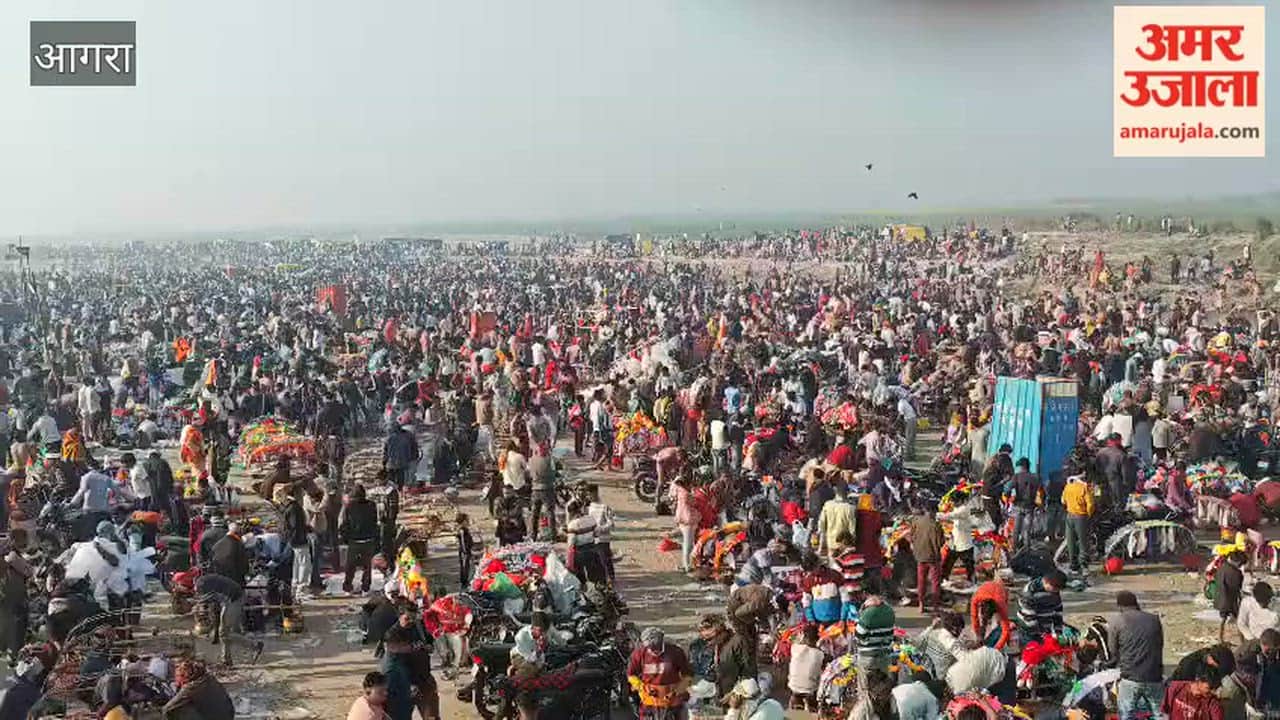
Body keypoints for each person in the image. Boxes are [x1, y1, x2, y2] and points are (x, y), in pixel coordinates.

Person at [1110, 590, 1165, 720]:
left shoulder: (1117, 621)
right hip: (1154, 676)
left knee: (1126, 714)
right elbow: (1160, 644)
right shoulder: (1154, 619)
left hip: (1130, 677)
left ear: (1119, 606)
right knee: (1159, 714)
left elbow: (1113, 650)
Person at [194, 572, 264, 667]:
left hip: (235, 599)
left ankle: (254, 645)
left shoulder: (201, 585)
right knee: (223, 632)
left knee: (224, 633)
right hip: (231, 598)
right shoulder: (203, 581)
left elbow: (206, 600)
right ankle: (226, 660)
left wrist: (195, 605)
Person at [626, 626, 693, 719]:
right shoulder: (639, 654)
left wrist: (677, 691)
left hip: (673, 703)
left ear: (662, 642)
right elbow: (631, 675)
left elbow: (688, 676)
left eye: (656, 647)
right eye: (649, 648)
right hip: (649, 703)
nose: (653, 651)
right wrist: (641, 687)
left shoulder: (676, 652)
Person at [162, 658, 237, 720]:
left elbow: (167, 709)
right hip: (228, 716)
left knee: (178, 709)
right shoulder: (210, 678)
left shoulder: (192, 687)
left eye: (178, 676)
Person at [340, 483, 381, 595]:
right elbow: (374, 521)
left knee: (350, 566)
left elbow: (344, 524)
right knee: (367, 566)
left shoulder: (349, 507)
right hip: (368, 539)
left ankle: (347, 588)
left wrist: (345, 538)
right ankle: (365, 588)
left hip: (354, 540)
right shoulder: (371, 505)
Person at [907, 503, 945, 612]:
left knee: (921, 580)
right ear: (933, 512)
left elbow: (911, 537)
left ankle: (921, 604)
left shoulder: (916, 522)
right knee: (935, 582)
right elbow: (941, 541)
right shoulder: (936, 525)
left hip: (920, 556)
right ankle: (935, 605)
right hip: (933, 556)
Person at [280, 486, 312, 599]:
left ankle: (296, 586)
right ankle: (301, 589)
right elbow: (295, 526)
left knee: (297, 564)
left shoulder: (289, 507)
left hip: (293, 540)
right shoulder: (295, 508)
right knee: (304, 564)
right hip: (298, 540)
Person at [1017, 570, 1066, 640]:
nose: (1056, 591)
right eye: (1055, 589)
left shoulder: (1054, 589)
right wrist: (1041, 634)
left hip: (1045, 626)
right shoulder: (1030, 591)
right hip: (1028, 628)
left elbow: (1058, 612)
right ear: (1046, 582)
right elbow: (1029, 617)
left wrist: (1058, 631)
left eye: (1058, 590)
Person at [1062, 473, 1095, 573]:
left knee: (1070, 541)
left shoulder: (1068, 487)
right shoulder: (1084, 488)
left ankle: (1073, 565)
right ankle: (1084, 566)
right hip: (1081, 516)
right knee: (1083, 542)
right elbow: (1090, 504)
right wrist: (1089, 514)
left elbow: (1063, 501)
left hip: (1069, 516)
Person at [1008, 457, 1042, 552]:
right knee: (1027, 531)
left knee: (1016, 530)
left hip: (1018, 506)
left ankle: (1014, 550)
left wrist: (1007, 497)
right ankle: (1026, 551)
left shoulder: (1017, 476)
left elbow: (1008, 488)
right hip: (1030, 507)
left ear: (1022, 467)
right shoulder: (1035, 478)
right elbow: (1041, 491)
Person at [788, 623, 824, 712]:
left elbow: (795, 640)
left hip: (794, 687)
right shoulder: (820, 654)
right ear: (817, 639)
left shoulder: (795, 648)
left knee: (796, 706)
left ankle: (797, 713)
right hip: (810, 689)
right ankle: (812, 710)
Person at [816, 482, 857, 560]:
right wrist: (852, 543)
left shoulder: (828, 505)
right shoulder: (850, 508)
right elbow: (852, 529)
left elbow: (821, 523)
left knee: (832, 565)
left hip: (830, 541)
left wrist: (821, 543)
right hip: (843, 544)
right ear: (847, 493)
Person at [855, 594, 896, 671]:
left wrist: (859, 618)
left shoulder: (868, 615)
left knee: (865, 681)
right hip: (885, 656)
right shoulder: (889, 613)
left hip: (868, 656)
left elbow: (859, 634)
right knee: (884, 681)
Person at [586, 484, 616, 582]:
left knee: (605, 560)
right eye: (588, 495)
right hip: (591, 538)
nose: (589, 497)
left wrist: (600, 529)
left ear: (595, 493)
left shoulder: (604, 507)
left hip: (603, 539)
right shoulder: (588, 507)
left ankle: (611, 578)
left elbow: (611, 524)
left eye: (590, 494)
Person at [1216, 551, 1246, 643]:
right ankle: (1242, 641)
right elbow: (1238, 588)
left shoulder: (1222, 567)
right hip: (1232, 600)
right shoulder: (1236, 572)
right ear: (1237, 562)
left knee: (1223, 619)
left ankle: (1220, 639)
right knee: (1239, 621)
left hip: (1221, 598)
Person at [382, 422, 420, 489]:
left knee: (391, 485)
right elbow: (415, 450)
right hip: (403, 464)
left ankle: (393, 495)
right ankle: (400, 493)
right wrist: (414, 460)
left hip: (392, 465)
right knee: (401, 484)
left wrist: (384, 464)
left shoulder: (389, 438)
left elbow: (385, 453)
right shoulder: (409, 435)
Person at [455, 513, 476, 588]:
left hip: (466, 550)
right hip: (464, 551)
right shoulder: (462, 530)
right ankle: (464, 581)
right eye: (466, 520)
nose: (467, 522)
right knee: (465, 566)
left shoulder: (464, 529)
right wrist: (465, 551)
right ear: (463, 521)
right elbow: (463, 542)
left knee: (465, 566)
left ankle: (464, 580)